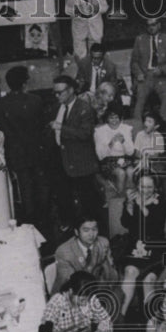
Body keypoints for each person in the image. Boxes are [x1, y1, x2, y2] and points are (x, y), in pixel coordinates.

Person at [0, 65, 50, 233]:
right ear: (25, 83)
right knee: (41, 186)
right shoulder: (36, 101)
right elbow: (42, 124)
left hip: (15, 151)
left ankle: (29, 224)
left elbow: (0, 126)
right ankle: (44, 224)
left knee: (24, 189)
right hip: (36, 151)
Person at [50, 75, 102, 225]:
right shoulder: (56, 107)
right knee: (63, 197)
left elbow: (85, 134)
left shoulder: (84, 109)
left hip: (81, 161)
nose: (57, 95)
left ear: (72, 90)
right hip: (61, 158)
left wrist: (61, 127)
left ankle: (91, 229)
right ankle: (70, 226)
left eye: (60, 92)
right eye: (55, 92)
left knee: (87, 201)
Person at [119, 174, 166, 311]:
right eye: (142, 186)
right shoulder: (132, 199)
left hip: (155, 245)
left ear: (155, 187)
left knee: (149, 280)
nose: (145, 190)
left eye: (149, 187)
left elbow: (154, 226)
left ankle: (152, 322)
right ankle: (119, 317)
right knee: (130, 272)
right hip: (135, 244)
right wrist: (129, 204)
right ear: (137, 186)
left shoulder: (161, 201)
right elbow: (125, 223)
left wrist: (140, 204)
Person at [51, 215, 118, 295]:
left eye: (94, 229)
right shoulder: (64, 251)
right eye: (86, 230)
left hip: (95, 289)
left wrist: (106, 263)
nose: (91, 234)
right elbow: (68, 284)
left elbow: (112, 276)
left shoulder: (103, 243)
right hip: (70, 295)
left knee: (118, 295)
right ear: (76, 232)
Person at [129, 17, 166, 125]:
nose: (151, 28)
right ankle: (137, 128)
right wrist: (139, 73)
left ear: (159, 25)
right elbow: (134, 62)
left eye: (154, 25)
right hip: (146, 77)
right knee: (139, 102)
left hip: (162, 78)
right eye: (149, 25)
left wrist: (162, 70)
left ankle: (161, 126)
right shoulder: (140, 39)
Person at [94, 104, 136, 199]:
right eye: (111, 118)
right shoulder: (100, 131)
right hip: (108, 161)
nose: (114, 121)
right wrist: (111, 143)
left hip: (125, 159)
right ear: (107, 118)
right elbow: (100, 155)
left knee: (131, 172)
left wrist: (123, 142)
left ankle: (131, 199)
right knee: (121, 173)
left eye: (117, 117)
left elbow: (130, 152)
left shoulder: (126, 128)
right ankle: (120, 200)